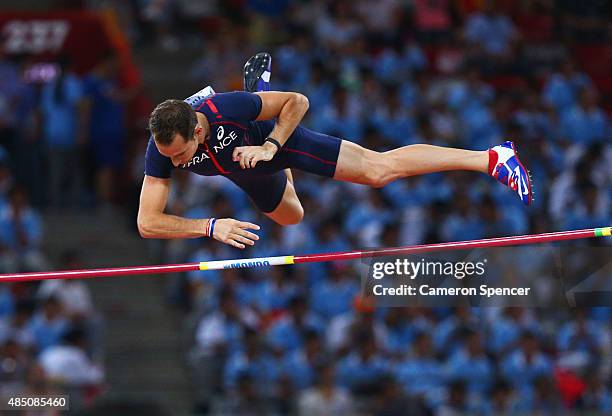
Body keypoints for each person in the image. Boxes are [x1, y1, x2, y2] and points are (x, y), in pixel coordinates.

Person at [138, 52, 532, 249]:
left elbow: (299, 101)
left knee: (379, 172)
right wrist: (209, 226)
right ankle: (261, 94)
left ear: (196, 128)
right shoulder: (161, 145)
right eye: (169, 157)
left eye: (180, 154)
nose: (175, 164)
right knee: (292, 217)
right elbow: (147, 222)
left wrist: (271, 144)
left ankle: (490, 158)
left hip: (273, 141)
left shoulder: (223, 108)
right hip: (245, 168)